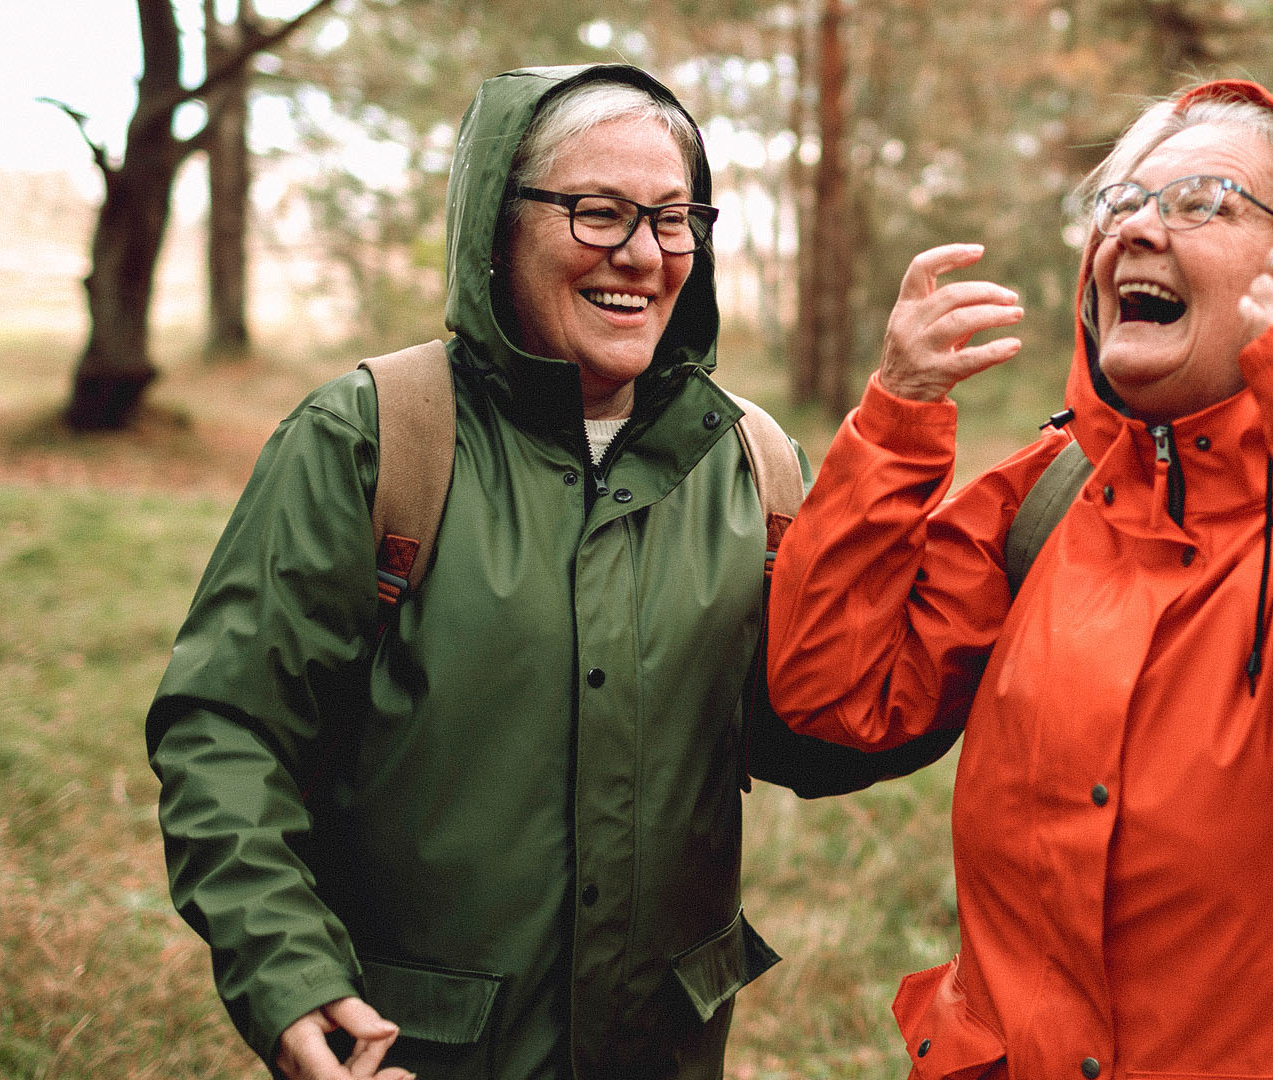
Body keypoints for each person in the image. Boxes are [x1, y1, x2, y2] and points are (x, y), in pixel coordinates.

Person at [148, 63, 949, 1080]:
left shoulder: (749, 462)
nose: (642, 254)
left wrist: (994, 599)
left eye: (671, 217)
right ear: (497, 223)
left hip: (661, 1048)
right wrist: (287, 972)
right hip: (407, 1051)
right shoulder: (370, 439)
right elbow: (228, 730)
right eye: (597, 212)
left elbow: (807, 734)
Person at [765, 79, 1273, 1080]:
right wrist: (898, 414)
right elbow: (836, 693)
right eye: (1118, 203)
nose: (1137, 229)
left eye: (1201, 201)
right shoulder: (1048, 497)